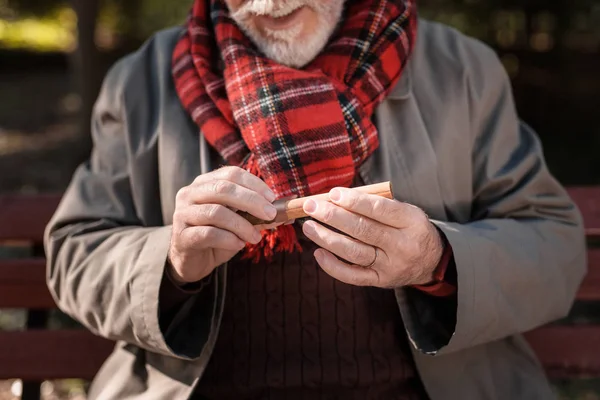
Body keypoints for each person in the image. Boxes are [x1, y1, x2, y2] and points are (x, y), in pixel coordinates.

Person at [44, 0, 587, 399]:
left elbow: (555, 246)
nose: (271, 2)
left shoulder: (463, 69)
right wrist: (172, 263)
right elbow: (74, 252)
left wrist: (435, 259)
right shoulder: (139, 81)